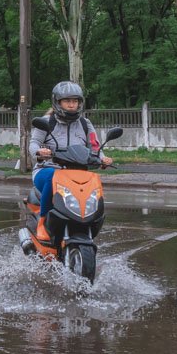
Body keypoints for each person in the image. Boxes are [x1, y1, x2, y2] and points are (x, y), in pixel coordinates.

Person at [28, 81, 113, 242]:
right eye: (67, 101)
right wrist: (39, 152)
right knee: (52, 176)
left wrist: (102, 158)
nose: (72, 105)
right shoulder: (46, 122)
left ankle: (90, 222)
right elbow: (33, 143)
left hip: (77, 173)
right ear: (58, 102)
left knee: (94, 183)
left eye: (75, 101)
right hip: (47, 169)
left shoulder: (84, 124)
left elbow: (94, 146)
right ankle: (43, 220)